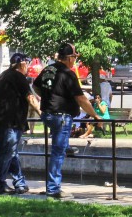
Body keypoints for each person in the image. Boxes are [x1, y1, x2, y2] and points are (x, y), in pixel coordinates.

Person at [33, 43, 102, 199]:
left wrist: (47, 96)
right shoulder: (67, 74)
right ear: (70, 58)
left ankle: (66, 147)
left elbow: (36, 86)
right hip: (61, 117)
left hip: (48, 115)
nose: (75, 61)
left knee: (59, 147)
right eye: (74, 57)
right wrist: (95, 116)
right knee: (57, 153)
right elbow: (81, 99)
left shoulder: (49, 69)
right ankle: (53, 188)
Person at [0, 52, 41, 194]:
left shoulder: (4, 75)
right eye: (27, 63)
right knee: (6, 153)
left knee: (11, 153)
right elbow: (30, 98)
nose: (28, 66)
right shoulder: (18, 77)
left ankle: (20, 183)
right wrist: (43, 114)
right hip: (9, 123)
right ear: (22, 64)